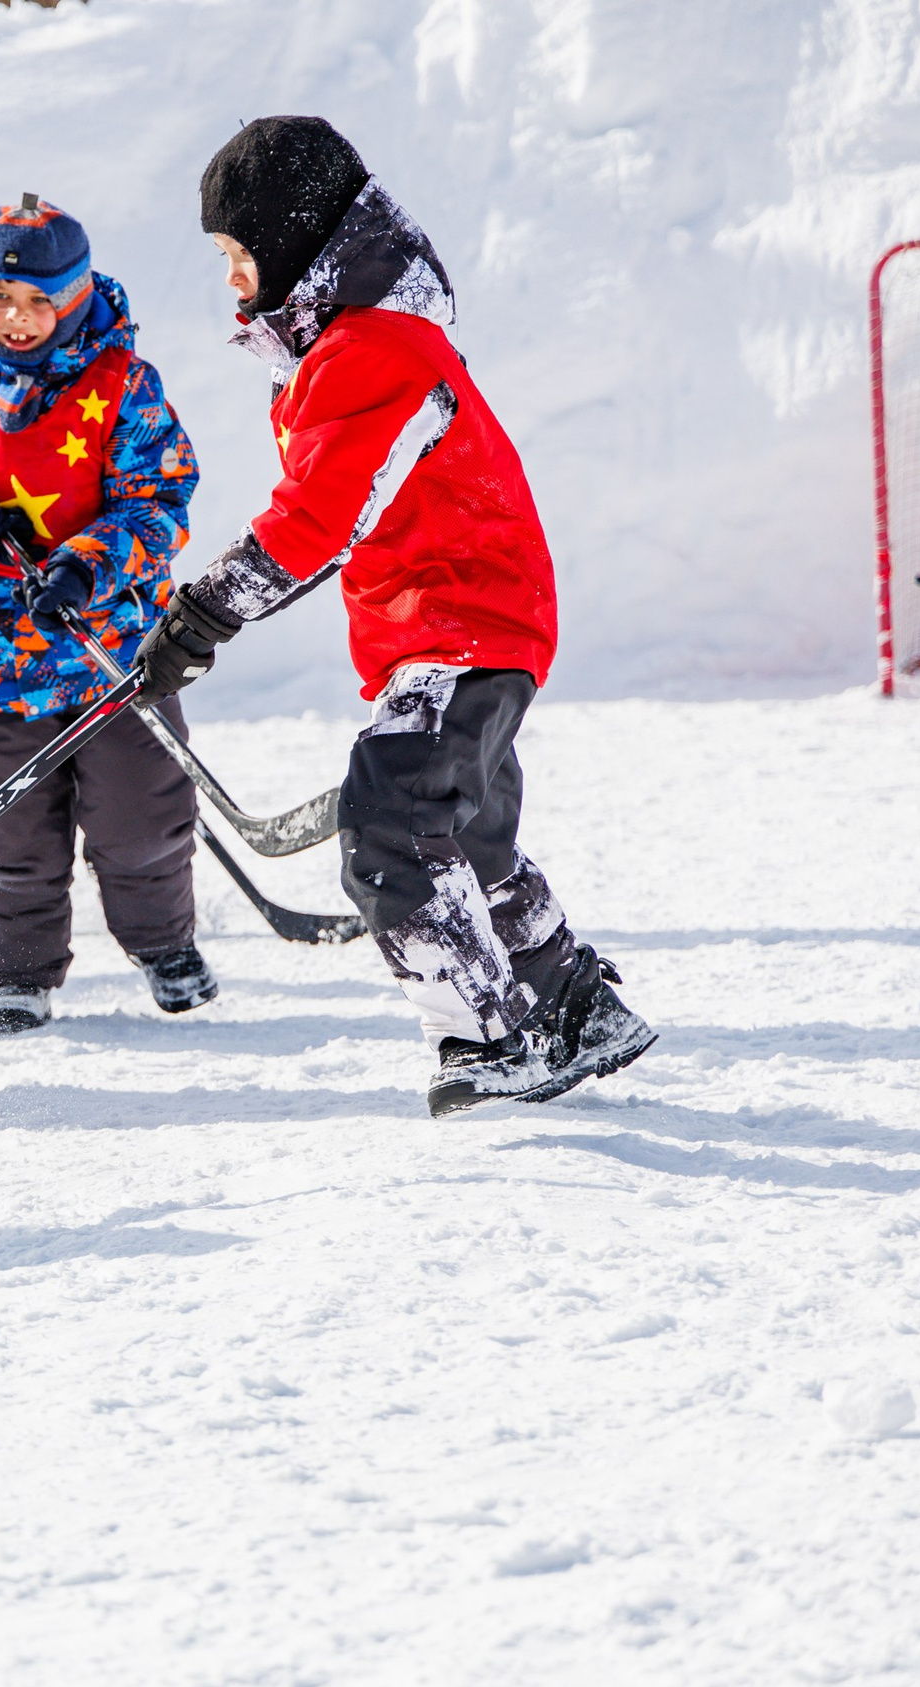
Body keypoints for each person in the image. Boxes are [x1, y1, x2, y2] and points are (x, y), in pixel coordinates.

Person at [135, 115, 655, 1115]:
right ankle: (572, 1006)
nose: (231, 279)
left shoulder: (374, 348)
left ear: (293, 244)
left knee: (391, 828)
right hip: (457, 627)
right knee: (468, 842)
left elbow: (320, 518)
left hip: (461, 624)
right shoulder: (344, 347)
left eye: (237, 255)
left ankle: (488, 1041)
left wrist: (204, 610)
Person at [0, 193, 213, 1037]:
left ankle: (164, 945)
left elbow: (161, 497)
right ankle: (17, 974)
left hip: (109, 651)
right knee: (11, 833)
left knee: (141, 814)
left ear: (77, 297)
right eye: (0, 300)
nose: (17, 320)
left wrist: (91, 565)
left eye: (39, 302)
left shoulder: (121, 383)